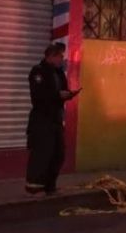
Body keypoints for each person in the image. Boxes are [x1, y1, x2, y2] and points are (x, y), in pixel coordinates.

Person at [25, 44, 80, 195]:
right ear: (51, 56)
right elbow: (38, 95)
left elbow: (62, 91)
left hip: (56, 118)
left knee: (58, 153)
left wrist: (69, 94)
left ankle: (50, 185)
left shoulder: (59, 73)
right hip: (42, 119)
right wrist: (57, 95)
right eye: (60, 56)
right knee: (42, 152)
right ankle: (34, 186)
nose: (62, 59)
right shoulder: (38, 72)